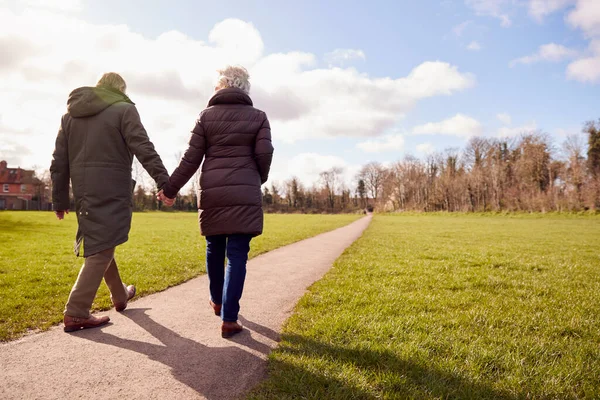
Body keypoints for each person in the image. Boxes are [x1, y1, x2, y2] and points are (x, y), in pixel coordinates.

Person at [158, 66, 274, 338]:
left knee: (214, 247)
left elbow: (191, 158)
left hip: (213, 191)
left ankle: (217, 301)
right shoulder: (258, 117)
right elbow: (265, 154)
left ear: (220, 86)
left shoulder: (205, 117)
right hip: (244, 191)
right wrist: (258, 178)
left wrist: (171, 189)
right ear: (245, 88)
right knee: (236, 255)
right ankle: (230, 318)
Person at [50, 72, 170, 332]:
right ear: (120, 90)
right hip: (112, 189)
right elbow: (143, 147)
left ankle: (120, 295)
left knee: (101, 242)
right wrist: (165, 182)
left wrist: (59, 200)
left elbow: (59, 162)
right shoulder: (124, 109)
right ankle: (77, 311)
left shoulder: (69, 116)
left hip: (82, 191)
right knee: (103, 247)